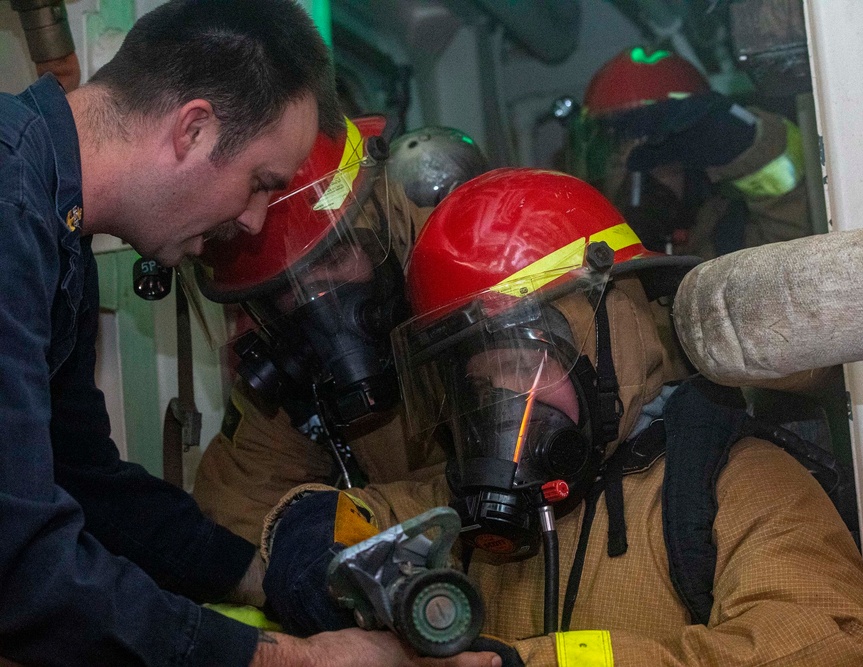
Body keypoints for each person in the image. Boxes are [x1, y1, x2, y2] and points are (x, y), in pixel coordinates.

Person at [0, 1, 497, 665]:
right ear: (194, 130)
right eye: (261, 183)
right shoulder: (9, 210)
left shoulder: (56, 235)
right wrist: (294, 660)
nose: (258, 222)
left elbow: (91, 484)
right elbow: (19, 562)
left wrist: (270, 579)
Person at [257, 168, 863, 665]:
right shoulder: (459, 507)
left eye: (523, 363)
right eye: (477, 381)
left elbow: (838, 647)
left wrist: (523, 664)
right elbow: (360, 513)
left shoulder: (730, 486)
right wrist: (310, 535)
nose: (499, 409)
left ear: (608, 341)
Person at [191, 122, 489, 545]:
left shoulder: (484, 293)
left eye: (334, 257)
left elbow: (525, 485)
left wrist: (356, 528)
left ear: (384, 231)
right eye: (288, 285)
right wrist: (302, 555)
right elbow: (233, 507)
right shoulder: (294, 365)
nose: (319, 297)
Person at [568, 46, 811, 260]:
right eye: (621, 165)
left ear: (697, 173)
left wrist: (744, 139)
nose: (639, 185)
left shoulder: (733, 245)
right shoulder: (579, 265)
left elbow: (793, 245)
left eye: (661, 164)